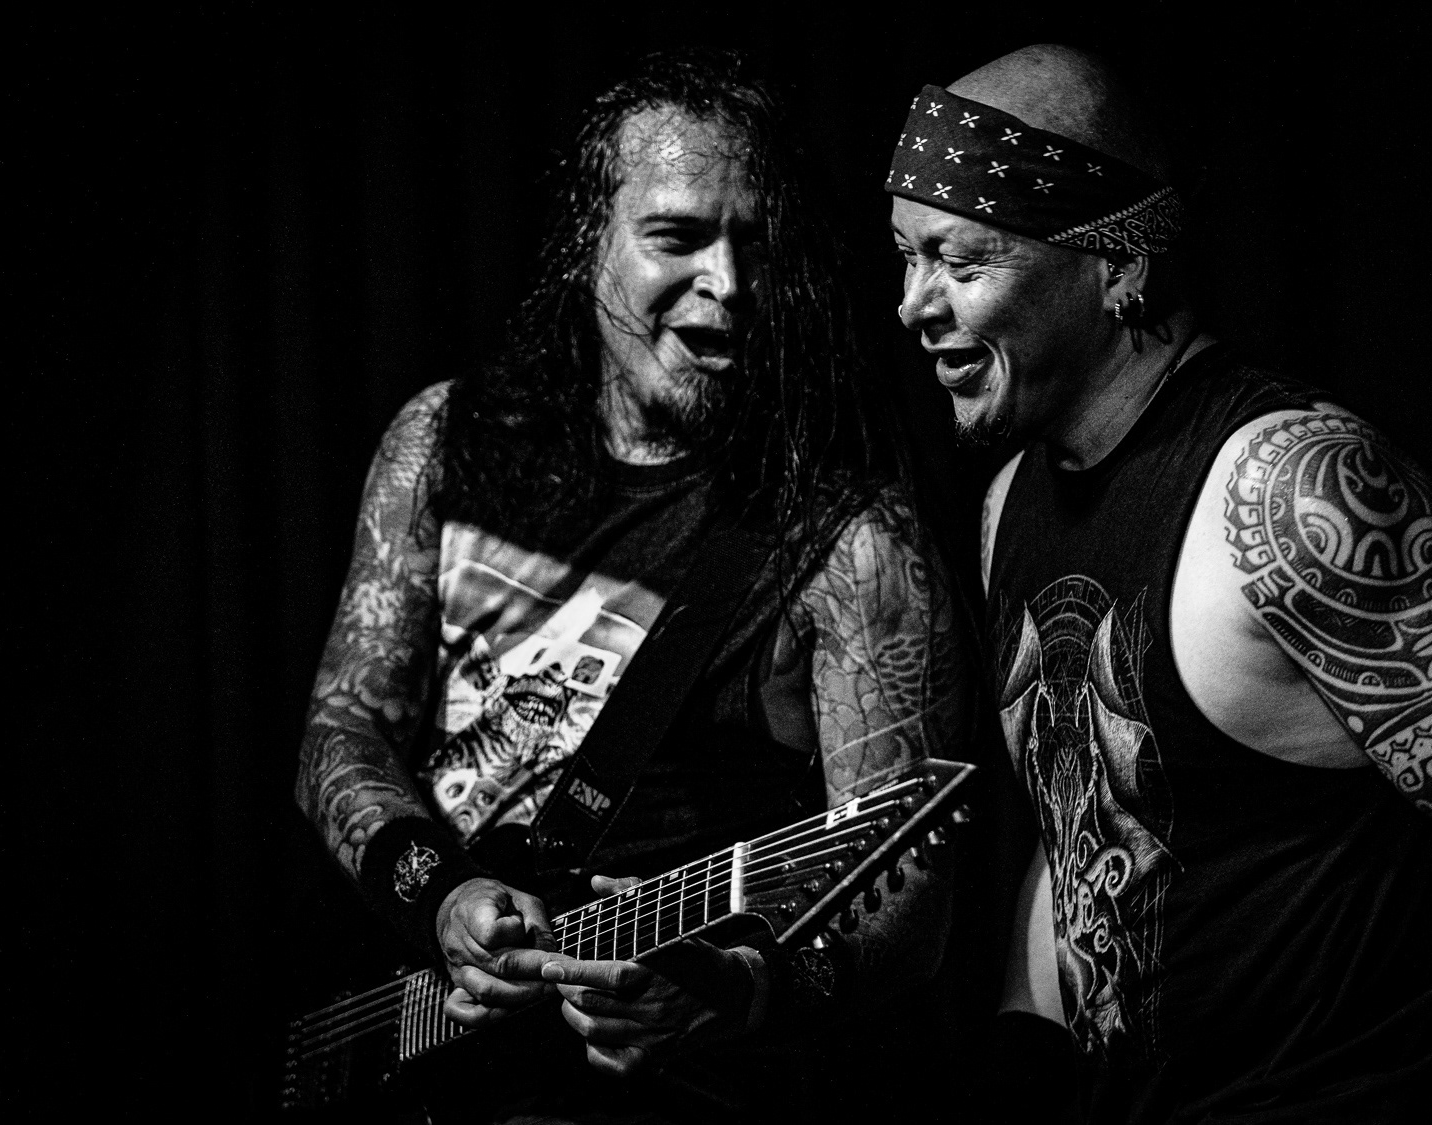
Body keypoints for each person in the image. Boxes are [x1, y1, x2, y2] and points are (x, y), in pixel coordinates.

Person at [294, 50, 968, 1123]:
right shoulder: (445, 441)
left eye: (755, 243)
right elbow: (343, 726)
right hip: (417, 1058)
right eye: (676, 237)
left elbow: (907, 895)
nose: (729, 283)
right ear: (588, 243)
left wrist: (746, 986)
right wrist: (442, 892)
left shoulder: (851, 542)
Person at [886, 43, 1432, 1123]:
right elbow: (1083, 824)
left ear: (1116, 262)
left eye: (960, 262)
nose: (912, 305)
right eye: (906, 258)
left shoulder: (1295, 488)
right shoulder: (1009, 502)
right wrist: (1024, 1050)